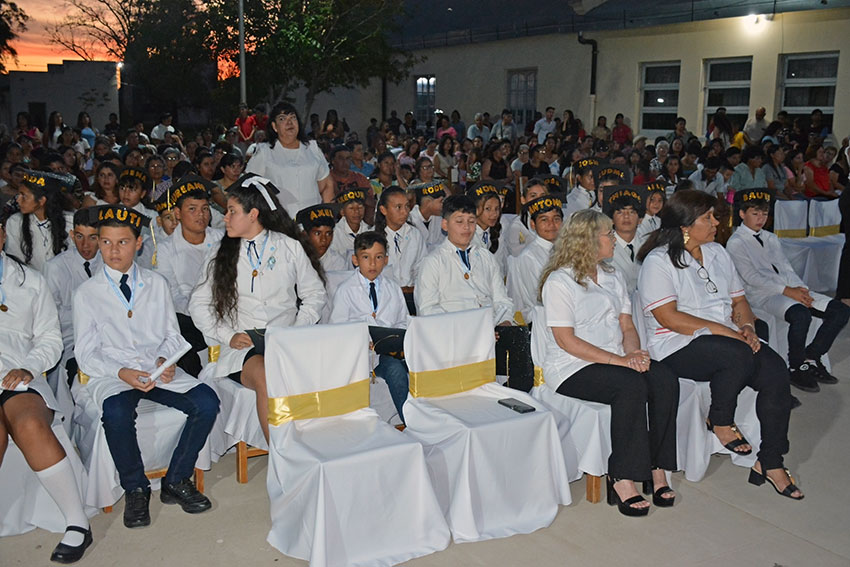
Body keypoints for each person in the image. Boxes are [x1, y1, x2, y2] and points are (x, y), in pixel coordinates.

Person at [638, 190, 803, 500]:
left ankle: (771, 461)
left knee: (776, 370)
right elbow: (669, 318)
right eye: (708, 218)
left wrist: (746, 327)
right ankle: (721, 419)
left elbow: (739, 300)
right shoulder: (658, 261)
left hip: (727, 339)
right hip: (676, 345)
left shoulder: (717, 253)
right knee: (737, 355)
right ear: (685, 225)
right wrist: (725, 332)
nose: (716, 223)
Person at [74, 204, 220, 528]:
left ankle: (176, 479)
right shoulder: (86, 293)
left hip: (155, 368)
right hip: (114, 372)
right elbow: (85, 352)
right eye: (107, 242)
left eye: (123, 242)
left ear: (139, 244)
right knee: (115, 413)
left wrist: (163, 361)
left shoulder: (155, 283)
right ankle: (136, 488)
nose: (114, 250)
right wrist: (121, 372)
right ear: (99, 243)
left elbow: (171, 333)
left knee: (207, 403)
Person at [539, 208, 679, 516]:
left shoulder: (611, 276)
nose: (615, 239)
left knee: (664, 377)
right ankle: (623, 476)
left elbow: (627, 327)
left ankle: (658, 468)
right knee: (630, 386)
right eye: (608, 234)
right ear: (588, 240)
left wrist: (634, 354)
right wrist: (620, 361)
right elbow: (567, 341)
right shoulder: (559, 282)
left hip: (615, 358)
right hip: (572, 366)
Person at [189, 175, 325, 443]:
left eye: (231, 211)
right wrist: (227, 335)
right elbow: (198, 304)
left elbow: (315, 294)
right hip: (243, 347)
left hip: (285, 341)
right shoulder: (220, 252)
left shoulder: (289, 246)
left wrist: (296, 331)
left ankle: (311, 446)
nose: (224, 218)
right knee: (266, 376)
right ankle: (282, 457)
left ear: (253, 214)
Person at [0, 221, 93, 563]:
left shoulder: (30, 281)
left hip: (20, 373)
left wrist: (29, 367)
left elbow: (51, 339)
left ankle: (77, 521)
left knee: (28, 424)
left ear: (0, 234)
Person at [727, 188, 850, 391]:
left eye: (764, 214)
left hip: (786, 289)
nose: (761, 219)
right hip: (761, 295)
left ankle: (812, 356)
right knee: (801, 315)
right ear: (742, 214)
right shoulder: (736, 242)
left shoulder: (770, 237)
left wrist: (802, 290)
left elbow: (785, 267)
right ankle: (795, 366)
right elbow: (752, 278)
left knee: (841, 311)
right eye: (755, 213)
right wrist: (787, 291)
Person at [415, 195, 532, 391]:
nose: (467, 228)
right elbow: (428, 311)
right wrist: (473, 329)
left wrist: (501, 321)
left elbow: (502, 299)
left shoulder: (485, 257)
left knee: (519, 335)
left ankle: (517, 397)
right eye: (459, 222)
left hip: (491, 331)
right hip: (455, 338)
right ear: (445, 225)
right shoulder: (433, 263)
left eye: (471, 222)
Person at [330, 231, 410, 421]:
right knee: (391, 370)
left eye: (378, 257)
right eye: (366, 257)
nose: (372, 264)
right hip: (359, 358)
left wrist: (393, 338)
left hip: (386, 354)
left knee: (404, 369)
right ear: (355, 260)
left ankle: (418, 421)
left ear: (386, 260)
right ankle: (407, 421)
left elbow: (403, 322)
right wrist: (363, 340)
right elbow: (337, 329)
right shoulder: (345, 291)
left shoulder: (393, 288)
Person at [155, 175, 224, 377]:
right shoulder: (166, 249)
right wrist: (201, 312)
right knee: (177, 329)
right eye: (192, 209)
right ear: (177, 213)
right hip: (188, 317)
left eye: (204, 208)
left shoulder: (223, 240)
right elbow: (172, 295)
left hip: (224, 312)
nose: (200, 215)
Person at [246, 102, 334, 216]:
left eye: (293, 117)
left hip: (312, 222)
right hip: (280, 223)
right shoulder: (265, 151)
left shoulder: (313, 149)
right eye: (282, 119)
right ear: (274, 126)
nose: (289, 122)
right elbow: (249, 187)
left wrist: (327, 217)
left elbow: (327, 185)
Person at [45, 207, 102, 379]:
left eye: (93, 237)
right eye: (79, 236)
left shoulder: (111, 263)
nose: (85, 245)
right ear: (71, 234)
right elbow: (49, 317)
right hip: (71, 339)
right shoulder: (56, 267)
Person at [5, 170, 75, 272]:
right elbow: (15, 262)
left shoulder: (70, 221)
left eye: (23, 196)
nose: (18, 200)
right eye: (18, 195)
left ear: (42, 201)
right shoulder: (15, 222)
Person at [508, 194, 563, 323]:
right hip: (542, 319)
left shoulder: (567, 250)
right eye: (544, 220)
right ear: (533, 224)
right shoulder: (529, 257)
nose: (551, 225)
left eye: (556, 219)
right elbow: (538, 298)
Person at [373, 186, 426, 287]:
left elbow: (421, 267)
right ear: (383, 210)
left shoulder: (415, 234)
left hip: (411, 292)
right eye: (398, 207)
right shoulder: (373, 236)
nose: (405, 212)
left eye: (407, 206)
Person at [602, 185, 646, 294]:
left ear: (640, 219)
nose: (626, 216)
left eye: (632, 212)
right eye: (620, 212)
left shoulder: (648, 246)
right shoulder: (603, 247)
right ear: (611, 219)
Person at [329, 145, 377, 226]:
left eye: (348, 158)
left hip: (360, 221)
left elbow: (371, 203)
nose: (345, 162)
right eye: (341, 158)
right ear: (333, 161)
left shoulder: (360, 178)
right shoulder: (326, 179)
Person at [296, 203, 349, 272]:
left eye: (328, 234)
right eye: (318, 233)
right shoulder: (294, 259)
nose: (324, 239)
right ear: (305, 235)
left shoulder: (337, 262)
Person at [504, 177, 548, 257]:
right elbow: (519, 257)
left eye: (542, 196)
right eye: (533, 196)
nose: (538, 200)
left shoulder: (554, 223)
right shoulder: (517, 227)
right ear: (523, 200)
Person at [408, 180, 446, 252]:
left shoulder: (439, 218)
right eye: (441, 201)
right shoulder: (409, 221)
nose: (443, 205)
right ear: (428, 202)